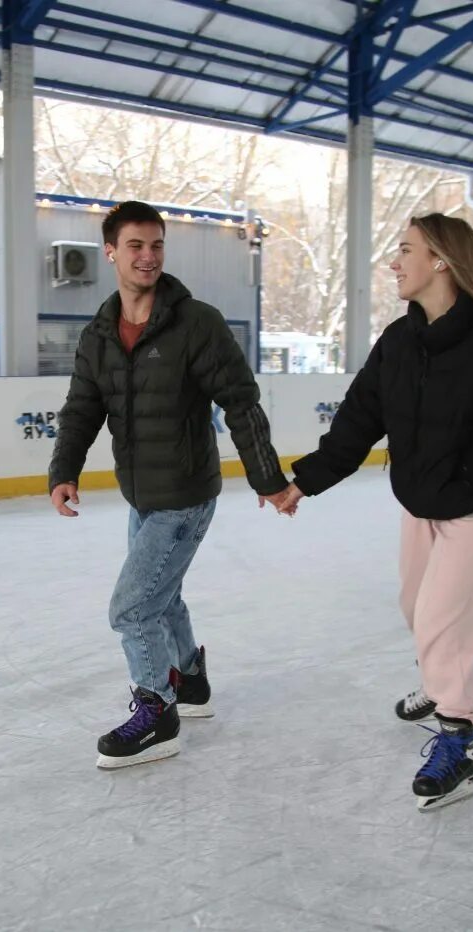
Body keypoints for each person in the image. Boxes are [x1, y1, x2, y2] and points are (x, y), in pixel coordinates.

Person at [276, 213, 473, 810]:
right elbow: (358, 420)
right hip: (420, 503)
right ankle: (438, 683)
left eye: (405, 250)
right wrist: (304, 482)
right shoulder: (399, 340)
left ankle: (458, 742)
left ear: (441, 260)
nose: (395, 262)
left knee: (442, 623)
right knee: (417, 608)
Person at [48, 200, 295, 770]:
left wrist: (266, 477)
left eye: (157, 245)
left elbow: (240, 401)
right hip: (141, 492)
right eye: (135, 245)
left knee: (132, 609)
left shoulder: (195, 323)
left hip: (184, 494)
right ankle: (191, 682)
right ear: (110, 251)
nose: (148, 256)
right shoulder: (101, 333)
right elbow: (81, 408)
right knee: (162, 596)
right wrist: (64, 471)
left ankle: (157, 713)